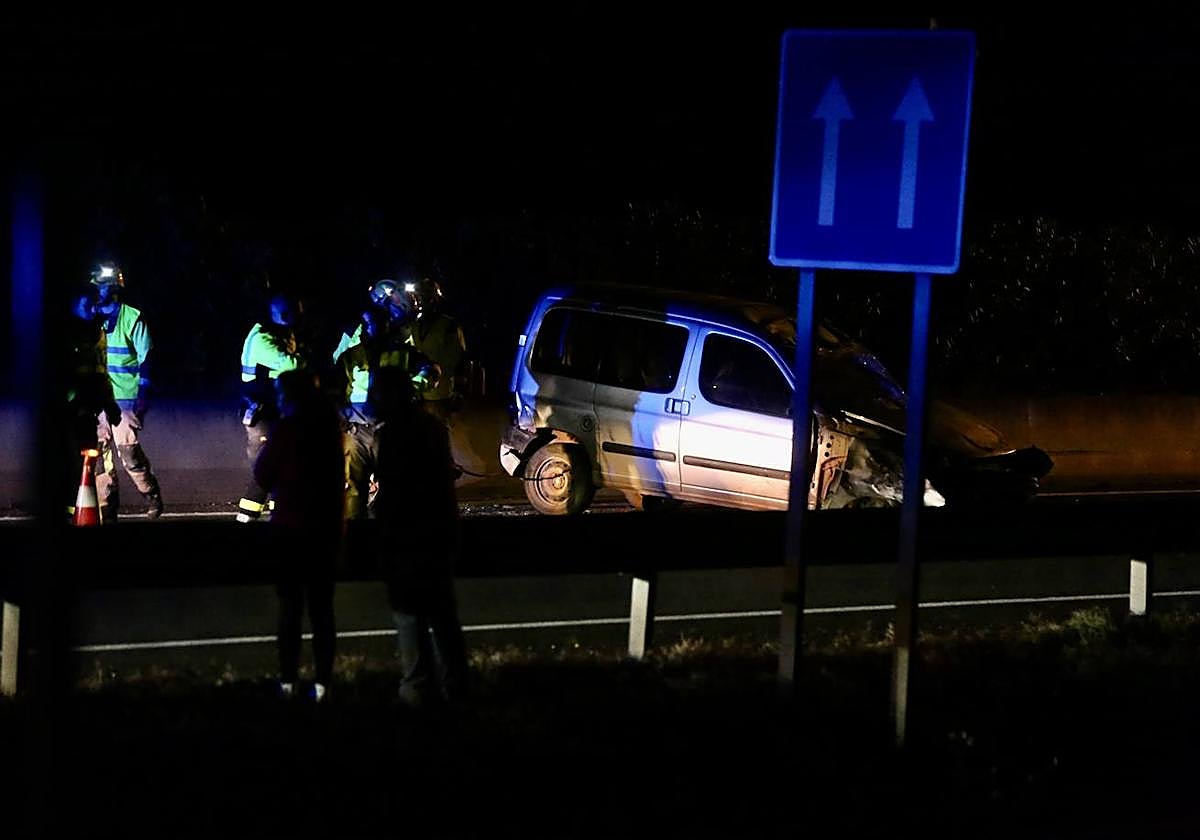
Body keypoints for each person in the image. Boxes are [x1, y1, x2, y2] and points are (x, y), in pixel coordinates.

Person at [370, 367, 468, 709]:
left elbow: (395, 493)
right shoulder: (431, 428)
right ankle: (456, 687)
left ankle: (416, 690)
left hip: (407, 538)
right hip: (436, 534)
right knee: (442, 615)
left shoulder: (393, 435)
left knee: (410, 615)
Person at [253, 369, 345, 702]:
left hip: (291, 532)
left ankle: (288, 682)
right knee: (322, 612)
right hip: (325, 533)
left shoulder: (288, 430)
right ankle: (323, 685)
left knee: (290, 611)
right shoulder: (329, 430)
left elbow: (263, 473)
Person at [335, 287, 440, 520]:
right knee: (353, 490)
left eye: (378, 323)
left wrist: (414, 386)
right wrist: (341, 418)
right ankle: (355, 538)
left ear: (387, 325)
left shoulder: (403, 353)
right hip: (357, 431)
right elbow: (335, 390)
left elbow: (431, 370)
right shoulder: (351, 356)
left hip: (391, 430)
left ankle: (386, 539)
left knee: (395, 488)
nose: (373, 328)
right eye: (369, 324)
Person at [90, 263, 163, 521]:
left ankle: (150, 494)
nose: (100, 290)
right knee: (101, 455)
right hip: (98, 398)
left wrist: (141, 402)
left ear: (116, 287)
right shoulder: (89, 317)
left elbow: (147, 361)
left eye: (105, 285)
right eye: (98, 284)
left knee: (129, 453)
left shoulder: (132, 318)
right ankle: (108, 507)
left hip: (125, 400)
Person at [236, 293, 309, 522]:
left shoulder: (271, 334)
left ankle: (279, 519)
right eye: (288, 314)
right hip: (263, 417)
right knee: (265, 473)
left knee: (280, 472)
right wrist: (306, 354)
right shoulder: (263, 338)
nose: (293, 319)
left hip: (271, 414)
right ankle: (244, 522)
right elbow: (292, 364)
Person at [410, 275, 469, 427]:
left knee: (439, 438)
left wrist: (459, 390)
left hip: (441, 395)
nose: (420, 301)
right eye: (419, 297)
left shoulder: (449, 326)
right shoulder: (415, 325)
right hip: (419, 394)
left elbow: (460, 359)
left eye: (424, 297)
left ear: (434, 299)